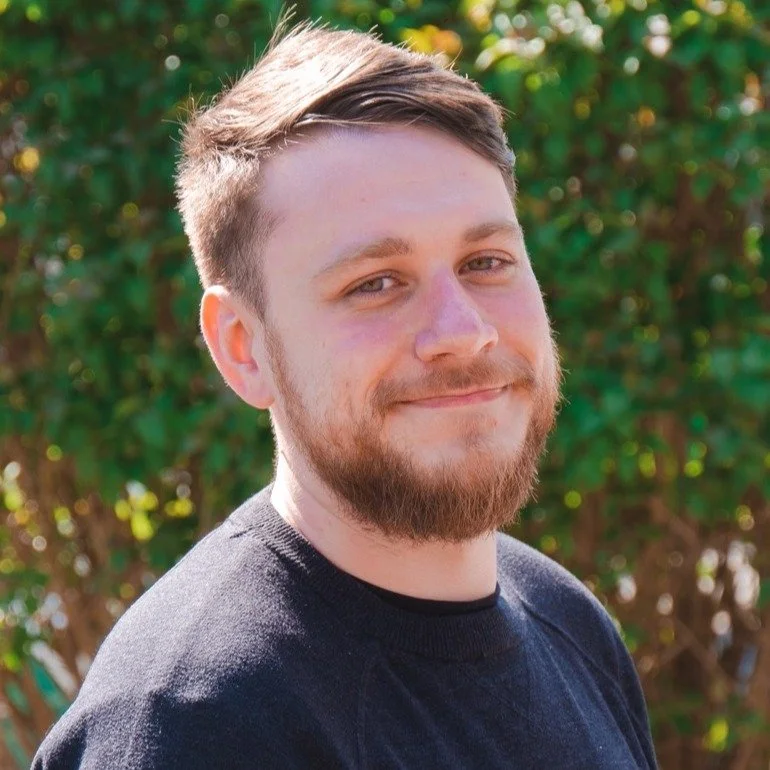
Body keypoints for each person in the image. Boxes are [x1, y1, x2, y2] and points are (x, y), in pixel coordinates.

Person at [33, 19, 658, 770]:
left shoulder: (565, 620)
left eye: (486, 261)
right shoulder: (194, 725)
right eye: (376, 283)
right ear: (242, 346)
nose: (462, 332)